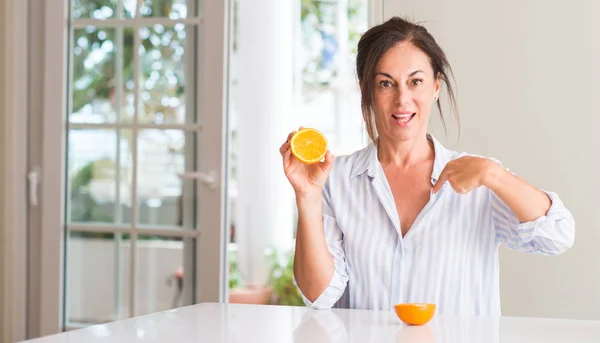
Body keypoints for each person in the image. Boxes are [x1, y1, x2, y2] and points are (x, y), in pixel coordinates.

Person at [279, 16, 575, 316]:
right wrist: (307, 196)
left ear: (435, 86)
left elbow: (557, 236)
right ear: (367, 91)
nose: (402, 99)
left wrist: (494, 174)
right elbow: (319, 295)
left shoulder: (480, 177)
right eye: (386, 84)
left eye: (415, 82)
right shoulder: (335, 179)